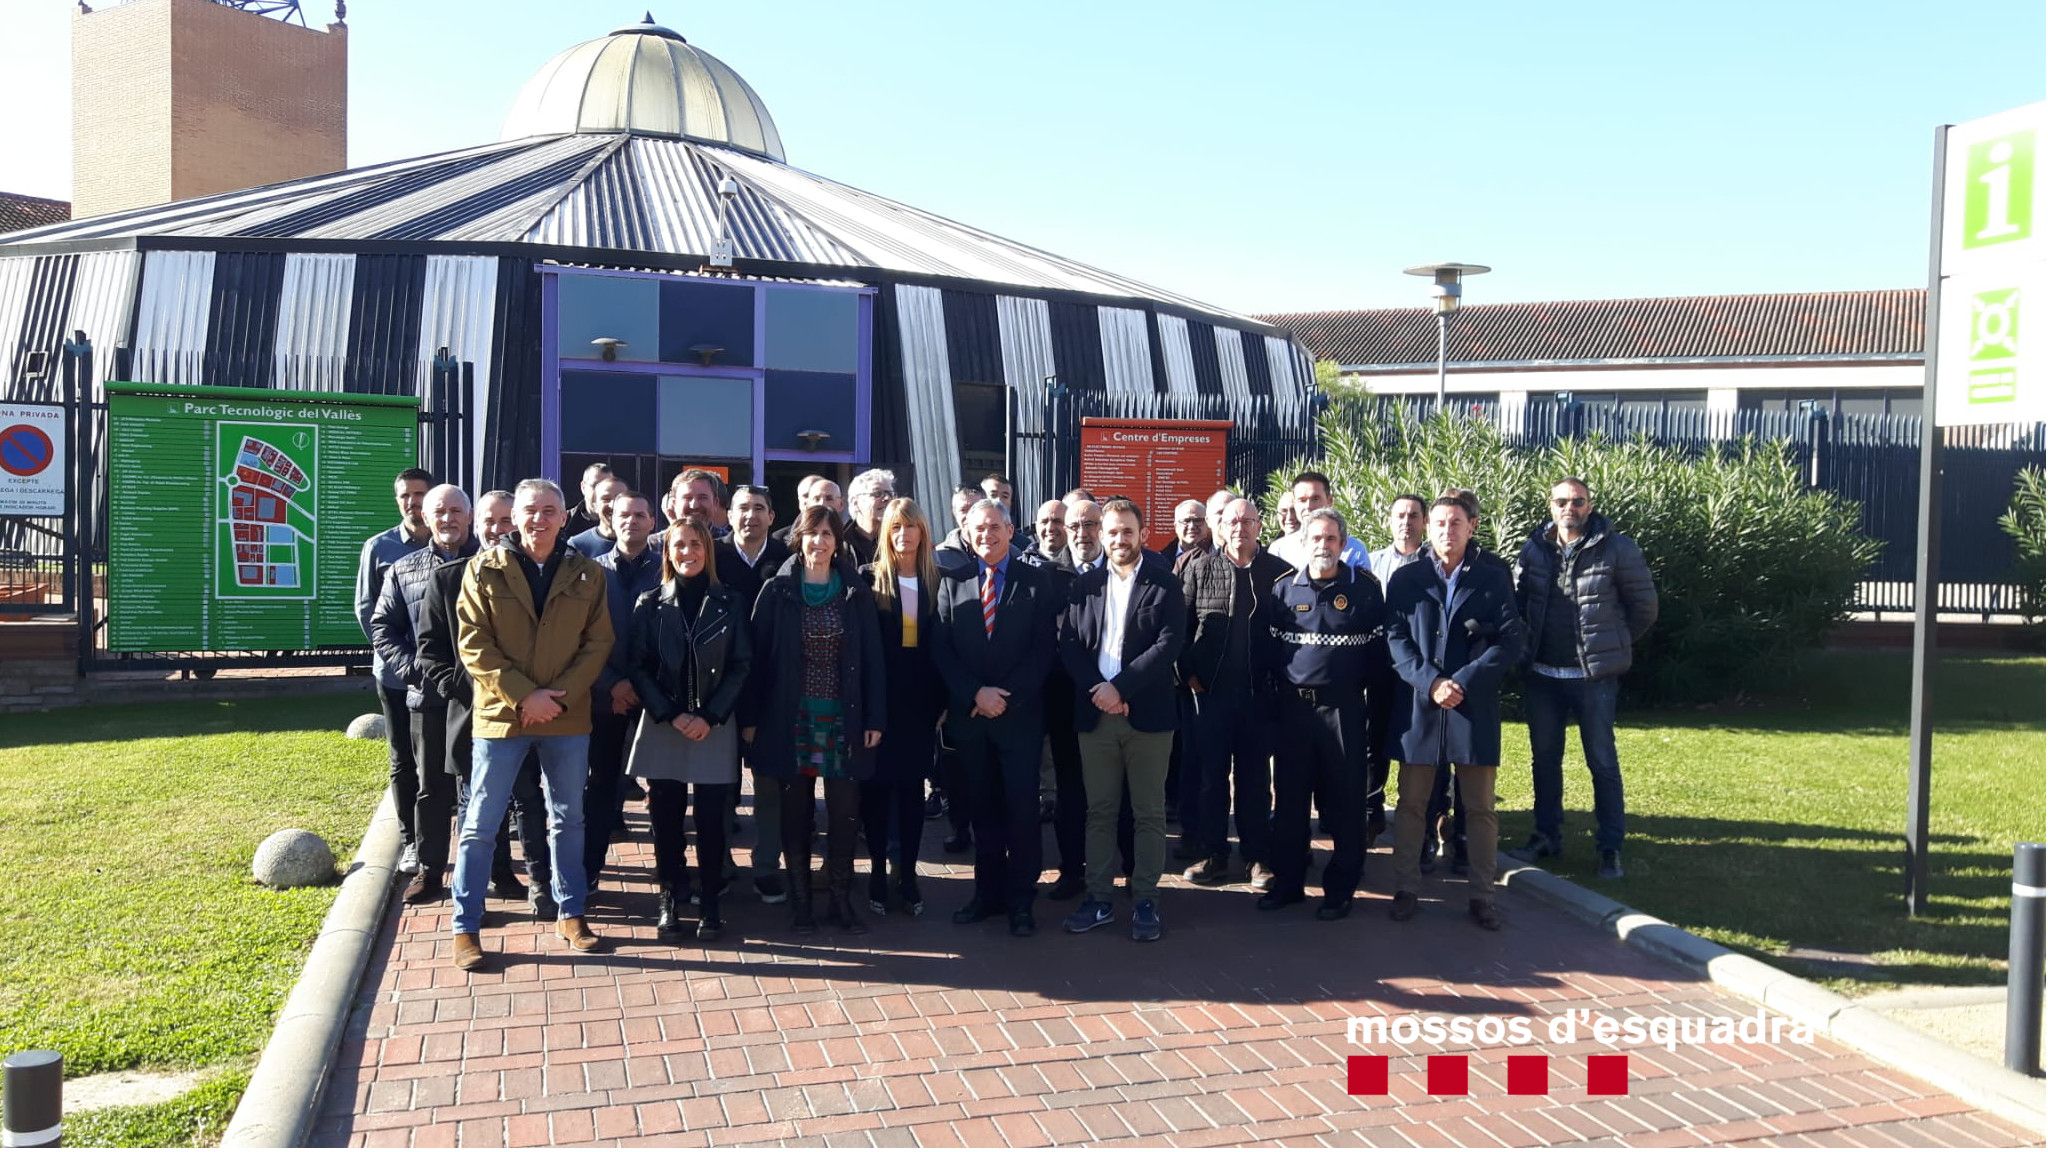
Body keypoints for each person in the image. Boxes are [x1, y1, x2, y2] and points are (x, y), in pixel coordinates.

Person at [449, 478, 614, 972]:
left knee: (568, 818)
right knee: (481, 823)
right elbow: (474, 644)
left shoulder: (586, 574)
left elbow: (598, 644)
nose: (539, 519)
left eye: (549, 510)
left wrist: (554, 700)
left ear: (565, 518)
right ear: (513, 517)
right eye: (530, 510)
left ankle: (572, 912)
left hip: (565, 717)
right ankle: (466, 924)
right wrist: (526, 696)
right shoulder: (483, 569)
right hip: (502, 716)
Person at [742, 506, 887, 934]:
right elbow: (757, 660)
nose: (819, 542)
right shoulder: (777, 590)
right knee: (795, 812)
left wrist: (876, 715)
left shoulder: (855, 591)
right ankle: (801, 901)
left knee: (844, 813)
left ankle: (840, 899)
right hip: (791, 718)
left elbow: (873, 659)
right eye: (812, 534)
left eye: (827, 534)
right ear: (798, 539)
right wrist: (751, 719)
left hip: (845, 717)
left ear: (836, 542)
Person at [1385, 496, 1527, 931]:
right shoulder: (1407, 579)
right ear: (1429, 528)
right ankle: (1407, 887)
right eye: (1441, 523)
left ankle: (1483, 895)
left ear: (1472, 527)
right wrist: (1431, 682)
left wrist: (1462, 681)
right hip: (1421, 706)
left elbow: (1510, 640)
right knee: (1411, 804)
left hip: (1472, 706)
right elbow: (1395, 638)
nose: (1448, 531)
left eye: (1456, 523)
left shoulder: (1491, 578)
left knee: (1480, 807)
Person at [1514, 476, 1658, 879]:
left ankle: (1610, 847)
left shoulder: (1617, 548)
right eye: (1562, 501)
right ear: (1550, 505)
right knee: (1544, 761)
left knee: (1602, 762)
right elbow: (1521, 604)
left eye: (1577, 501)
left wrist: (1613, 644)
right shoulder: (1535, 549)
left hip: (1592, 678)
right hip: (1543, 675)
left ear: (1589, 506)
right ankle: (1546, 836)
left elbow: (1644, 607)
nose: (1569, 508)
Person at [417, 489, 551, 913]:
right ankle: (483, 889)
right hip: (472, 714)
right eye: (489, 522)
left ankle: (538, 883)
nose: (498, 530)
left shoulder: (537, 578)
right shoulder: (449, 578)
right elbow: (430, 650)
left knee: (529, 799)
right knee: (476, 806)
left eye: (506, 521)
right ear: (477, 526)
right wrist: (464, 688)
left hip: (529, 712)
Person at [1057, 499, 1185, 942]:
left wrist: (1122, 689)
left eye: (1127, 531)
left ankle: (1146, 898)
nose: (1118, 539)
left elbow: (1168, 646)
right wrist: (1100, 690)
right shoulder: (1084, 586)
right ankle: (1098, 899)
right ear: (1102, 536)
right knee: (1100, 812)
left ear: (1143, 534)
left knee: (1148, 813)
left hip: (1147, 717)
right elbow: (1070, 645)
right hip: (1096, 715)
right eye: (1111, 532)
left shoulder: (1166, 585)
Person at [931, 499, 1058, 937]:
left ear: (1010, 530)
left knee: (1021, 811)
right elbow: (941, 647)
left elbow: (1044, 651)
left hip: (1018, 718)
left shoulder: (1037, 582)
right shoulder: (953, 581)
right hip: (971, 717)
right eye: (976, 529)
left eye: (994, 527)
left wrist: (1006, 698)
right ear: (966, 533)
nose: (985, 535)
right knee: (981, 810)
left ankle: (1021, 900)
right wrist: (975, 694)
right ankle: (986, 894)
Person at [625, 514, 753, 940]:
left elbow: (741, 665)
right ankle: (669, 895)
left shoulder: (730, 602)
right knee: (665, 818)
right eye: (679, 545)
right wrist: (672, 713)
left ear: (708, 551)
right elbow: (638, 667)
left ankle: (711, 900)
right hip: (665, 722)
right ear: (668, 551)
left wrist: (710, 715)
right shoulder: (650, 603)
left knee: (714, 820)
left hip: (713, 723)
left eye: (696, 545)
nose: (688, 553)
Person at [1259, 508, 1389, 920]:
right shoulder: (1283, 590)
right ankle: (1289, 882)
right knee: (1291, 800)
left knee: (1345, 803)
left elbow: (1377, 658)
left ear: (1343, 544)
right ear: (1304, 542)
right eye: (1316, 538)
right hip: (1294, 710)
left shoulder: (1366, 590)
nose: (1323, 546)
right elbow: (1271, 654)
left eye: (1331, 539)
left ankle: (1340, 888)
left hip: (1343, 710)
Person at [370, 483, 480, 904]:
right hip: (429, 697)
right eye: (440, 511)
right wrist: (413, 670)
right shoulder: (405, 568)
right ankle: (431, 870)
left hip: (480, 698)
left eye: (456, 510)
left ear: (468, 517)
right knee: (430, 787)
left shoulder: (490, 564)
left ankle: (497, 869)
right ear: (427, 518)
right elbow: (383, 626)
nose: (448, 518)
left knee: (483, 786)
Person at [1178, 497, 1291, 889]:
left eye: (1247, 520)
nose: (1239, 527)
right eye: (1231, 521)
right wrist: (1188, 672)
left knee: (1255, 780)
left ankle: (1257, 857)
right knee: (1211, 778)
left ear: (1260, 525)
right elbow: (1180, 625)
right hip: (1211, 694)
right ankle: (1213, 853)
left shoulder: (1280, 574)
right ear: (1219, 526)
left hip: (1260, 695)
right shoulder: (1199, 569)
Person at [859, 497, 946, 916]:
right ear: (885, 533)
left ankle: (906, 874)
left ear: (922, 534)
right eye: (896, 527)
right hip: (879, 706)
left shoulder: (937, 581)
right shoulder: (868, 580)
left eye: (911, 527)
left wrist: (942, 703)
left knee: (912, 792)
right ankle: (877, 871)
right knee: (875, 792)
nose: (904, 535)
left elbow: (942, 649)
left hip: (920, 707)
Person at [713, 482, 791, 902]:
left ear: (772, 517)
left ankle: (766, 867)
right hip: (719, 689)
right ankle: (720, 863)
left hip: (772, 689)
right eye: (743, 508)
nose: (751, 516)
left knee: (769, 787)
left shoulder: (786, 561)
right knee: (719, 786)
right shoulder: (713, 557)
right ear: (728, 514)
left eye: (759, 508)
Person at [356, 467, 433, 874]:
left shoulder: (452, 542)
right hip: (396, 675)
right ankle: (411, 842)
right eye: (404, 495)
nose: (412, 502)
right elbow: (368, 610)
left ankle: (438, 836)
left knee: (439, 760)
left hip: (441, 676)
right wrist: (403, 660)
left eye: (419, 494)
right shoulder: (379, 547)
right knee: (403, 758)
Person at [586, 489, 661, 890]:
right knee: (601, 784)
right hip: (604, 700)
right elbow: (579, 637)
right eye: (623, 515)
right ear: (610, 520)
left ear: (653, 522)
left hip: (655, 701)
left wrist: (641, 684)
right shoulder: (588, 571)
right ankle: (589, 870)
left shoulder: (669, 568)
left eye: (639, 514)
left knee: (664, 789)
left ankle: (672, 876)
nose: (631, 521)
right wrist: (613, 683)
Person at [1364, 494, 1429, 845]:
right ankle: (1371, 813)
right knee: (1373, 741)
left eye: (1414, 515)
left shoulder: (1434, 565)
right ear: (1389, 520)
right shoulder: (1372, 563)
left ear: (1424, 522)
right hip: (1380, 668)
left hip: (1421, 669)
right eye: (1400, 515)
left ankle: (1427, 820)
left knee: (1422, 744)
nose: (1406, 521)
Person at [1270, 471, 1369, 572]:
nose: (1308, 506)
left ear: (1330, 501)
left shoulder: (1354, 551)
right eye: (1302, 500)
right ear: (1295, 504)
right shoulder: (1279, 550)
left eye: (1315, 499)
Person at [568, 473, 627, 559]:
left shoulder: (644, 544)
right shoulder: (577, 545)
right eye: (606, 499)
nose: (613, 505)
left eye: (619, 498)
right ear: (595, 506)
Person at [846, 468, 896, 567]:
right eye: (877, 494)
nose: (887, 498)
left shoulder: (899, 540)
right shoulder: (839, 543)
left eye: (890, 494)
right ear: (856, 502)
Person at [933, 484, 987, 567]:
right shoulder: (938, 557)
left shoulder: (1006, 552)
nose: (969, 515)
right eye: (963, 510)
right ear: (955, 513)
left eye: (975, 509)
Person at [564, 462, 613, 539]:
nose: (601, 492)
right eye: (595, 486)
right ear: (583, 487)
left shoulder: (622, 522)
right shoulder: (563, 521)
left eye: (607, 486)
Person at [1169, 499, 1212, 576]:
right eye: (1186, 521)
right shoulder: (1160, 560)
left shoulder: (1218, 556)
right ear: (1176, 527)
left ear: (1208, 524)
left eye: (1198, 520)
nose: (1192, 526)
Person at [1064, 499, 1105, 575]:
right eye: (1074, 527)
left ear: (1103, 527)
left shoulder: (1122, 568)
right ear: (1066, 531)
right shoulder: (1050, 574)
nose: (1082, 534)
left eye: (1089, 525)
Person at [1032, 499, 1069, 568]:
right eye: (1044, 522)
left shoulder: (1081, 567)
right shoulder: (1021, 565)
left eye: (1057, 521)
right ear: (1036, 527)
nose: (1050, 528)